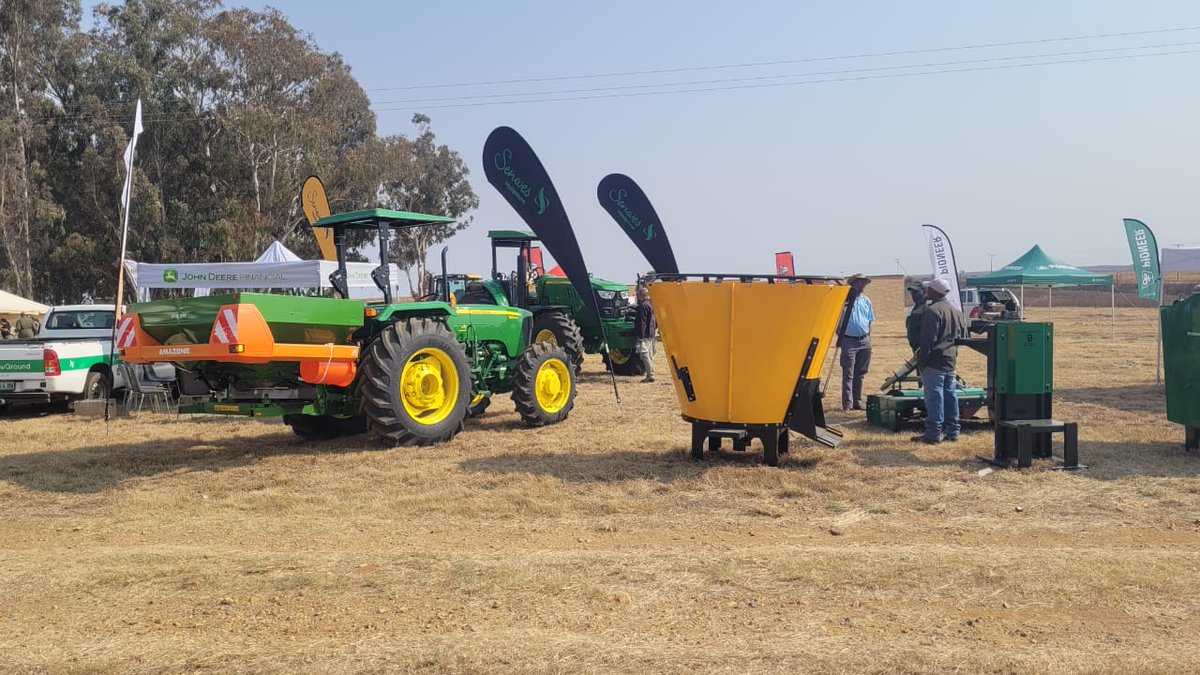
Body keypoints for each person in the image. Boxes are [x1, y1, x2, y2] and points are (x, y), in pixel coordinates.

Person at [913, 277, 968, 444]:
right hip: (950, 360)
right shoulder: (956, 311)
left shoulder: (933, 311)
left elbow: (927, 339)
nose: (926, 291)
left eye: (929, 289)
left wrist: (922, 361)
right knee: (950, 396)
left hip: (934, 361)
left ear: (934, 292)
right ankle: (953, 432)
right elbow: (962, 337)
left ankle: (933, 434)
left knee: (934, 398)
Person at [840, 273, 874, 411]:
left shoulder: (866, 300)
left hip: (864, 340)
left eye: (864, 283)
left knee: (860, 373)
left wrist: (869, 337)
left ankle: (857, 401)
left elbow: (870, 319)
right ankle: (847, 403)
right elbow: (837, 320)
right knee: (848, 373)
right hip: (849, 341)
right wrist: (841, 336)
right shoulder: (844, 301)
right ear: (853, 284)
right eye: (859, 282)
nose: (862, 285)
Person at [634, 285, 656, 382]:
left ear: (641, 296)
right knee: (650, 354)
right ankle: (651, 373)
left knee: (644, 354)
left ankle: (650, 375)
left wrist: (640, 336)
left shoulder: (643, 306)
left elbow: (642, 322)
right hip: (650, 333)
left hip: (645, 335)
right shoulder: (650, 304)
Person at [904, 280, 927, 352]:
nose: (914, 295)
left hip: (923, 348)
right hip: (916, 349)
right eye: (912, 293)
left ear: (923, 292)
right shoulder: (916, 307)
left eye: (916, 292)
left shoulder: (927, 308)